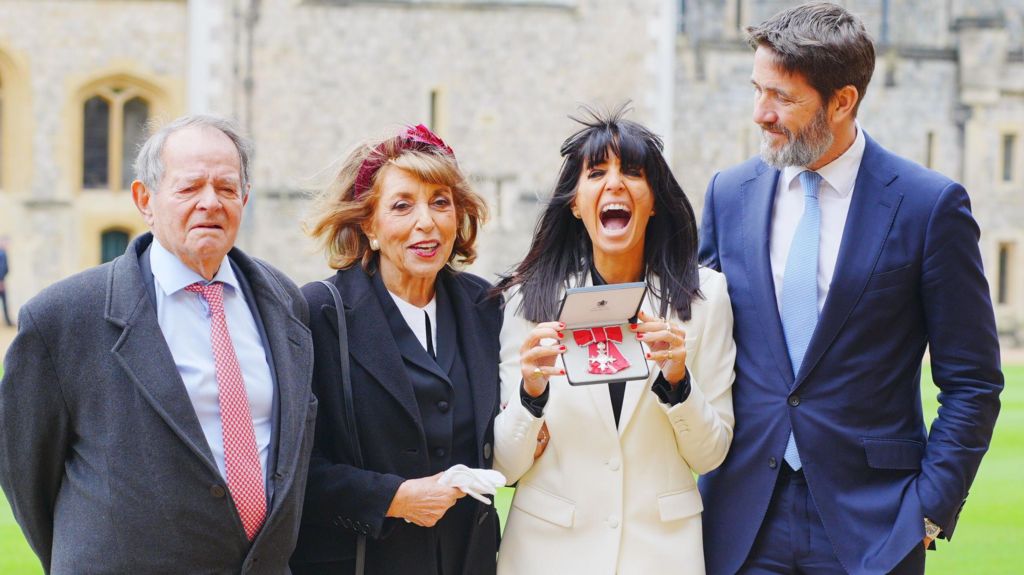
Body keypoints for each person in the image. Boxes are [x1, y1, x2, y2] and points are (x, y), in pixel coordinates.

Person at [698, 4, 1004, 575]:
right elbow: (699, 341)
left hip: (872, 527)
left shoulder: (928, 205)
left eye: (783, 98)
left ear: (843, 101)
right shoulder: (728, 194)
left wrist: (929, 510)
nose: (761, 114)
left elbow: (973, 381)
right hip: (740, 519)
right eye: (757, 90)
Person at [0, 115, 317, 574]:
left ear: (244, 199)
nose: (210, 202)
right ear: (144, 200)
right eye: (189, 188)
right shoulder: (63, 317)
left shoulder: (285, 300)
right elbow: (26, 476)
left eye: (227, 189)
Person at [493, 107, 737, 575]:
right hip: (546, 555)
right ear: (575, 202)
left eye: (632, 172)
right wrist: (531, 393)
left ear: (654, 201)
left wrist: (679, 383)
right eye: (596, 173)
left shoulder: (706, 299)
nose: (615, 184)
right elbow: (505, 468)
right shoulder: (529, 301)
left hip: (662, 556)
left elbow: (709, 456)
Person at [290, 124, 501, 575]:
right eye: (402, 205)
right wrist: (393, 499)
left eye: (440, 202)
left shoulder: (484, 306)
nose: (426, 221)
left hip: (468, 560)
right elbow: (290, 467)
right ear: (369, 225)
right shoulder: (320, 313)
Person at [0, 237, 11, 327]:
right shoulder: (2, 253)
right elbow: (2, 268)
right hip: (1, 282)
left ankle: (7, 321)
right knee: (4, 302)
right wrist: (1, 281)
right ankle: (8, 322)